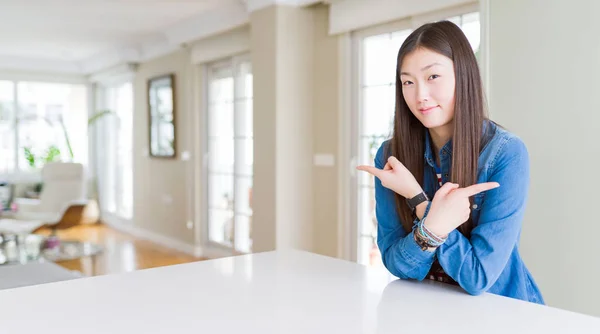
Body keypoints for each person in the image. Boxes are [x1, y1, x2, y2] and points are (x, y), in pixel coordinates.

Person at [357, 20, 544, 304]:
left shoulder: (505, 153)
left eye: (433, 77)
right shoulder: (391, 156)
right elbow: (397, 264)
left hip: (503, 312)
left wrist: (419, 201)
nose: (420, 95)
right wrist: (435, 224)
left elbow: (478, 277)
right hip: (428, 310)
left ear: (463, 75)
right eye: (408, 82)